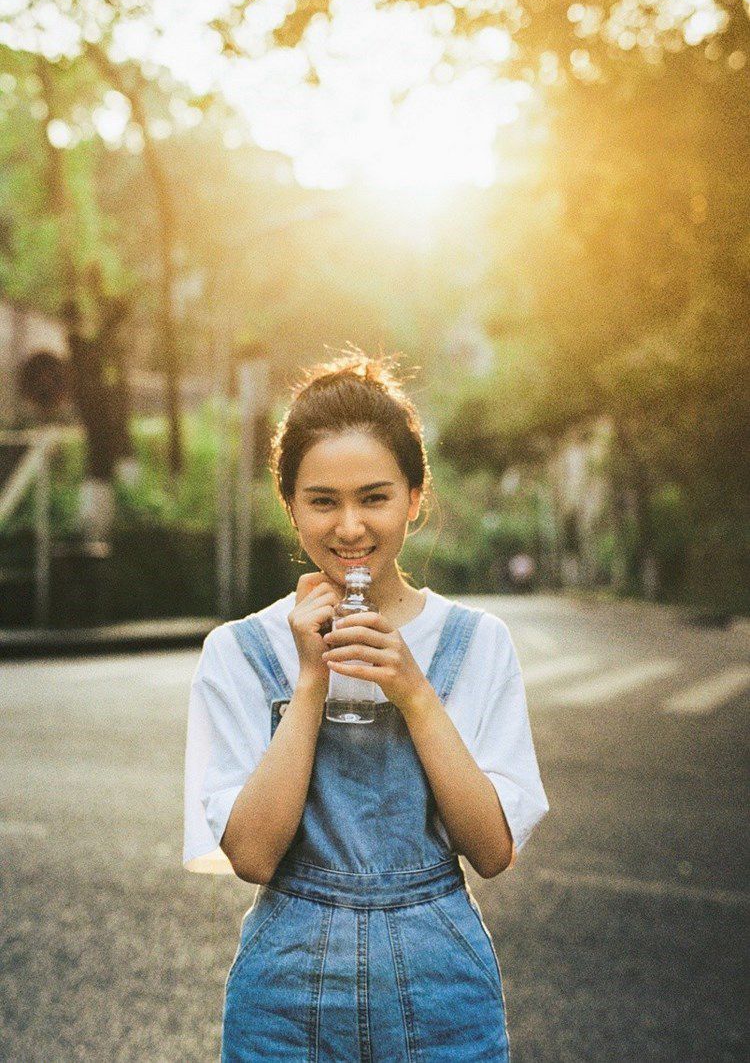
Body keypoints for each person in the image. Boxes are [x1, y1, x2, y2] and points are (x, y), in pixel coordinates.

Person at [183, 352, 550, 1062]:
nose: (350, 526)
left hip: (444, 986)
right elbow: (254, 854)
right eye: (323, 500)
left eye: (374, 497)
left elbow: (493, 849)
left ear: (415, 495)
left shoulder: (478, 644)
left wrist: (413, 688)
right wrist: (311, 680)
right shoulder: (238, 651)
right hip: (283, 998)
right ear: (289, 504)